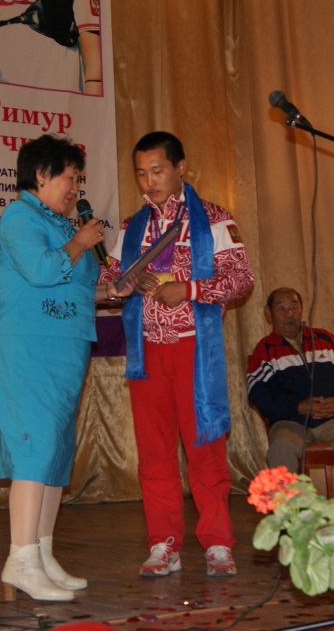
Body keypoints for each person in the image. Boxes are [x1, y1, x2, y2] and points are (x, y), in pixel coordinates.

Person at [99, 131, 254, 577]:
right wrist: (116, 286)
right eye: (141, 174)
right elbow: (111, 282)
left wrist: (188, 290)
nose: (149, 181)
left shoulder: (215, 218)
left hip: (195, 349)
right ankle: (163, 543)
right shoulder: (131, 227)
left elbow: (241, 279)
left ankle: (217, 542)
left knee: (205, 448)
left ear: (180, 168)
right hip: (147, 352)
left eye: (158, 171)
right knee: (155, 453)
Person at [0, 135, 132, 601]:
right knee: (34, 449)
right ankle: (20, 559)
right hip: (29, 348)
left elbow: (72, 286)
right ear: (41, 174)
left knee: (54, 453)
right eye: (70, 177)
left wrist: (108, 293)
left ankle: (42, 552)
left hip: (66, 350)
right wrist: (80, 241)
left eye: (78, 179)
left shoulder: (58, 223)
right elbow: (42, 271)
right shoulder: (19, 217)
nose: (75, 188)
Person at [246, 288, 334, 504]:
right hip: (290, 422)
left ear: (302, 310)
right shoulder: (265, 349)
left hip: (333, 419)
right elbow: (258, 394)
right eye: (282, 309)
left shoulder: (326, 339)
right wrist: (297, 406)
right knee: (280, 447)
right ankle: (290, 515)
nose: (289, 314)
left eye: (294, 307)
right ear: (269, 314)